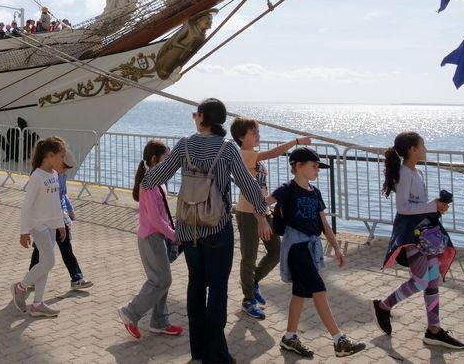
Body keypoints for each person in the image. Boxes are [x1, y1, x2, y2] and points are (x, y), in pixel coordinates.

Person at [140, 98, 270, 364]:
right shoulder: (227, 149)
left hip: (188, 229)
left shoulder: (184, 145)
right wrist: (262, 216)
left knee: (196, 286)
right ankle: (217, 353)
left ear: (201, 117)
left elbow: (153, 179)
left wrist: (144, 176)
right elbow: (248, 186)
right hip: (217, 229)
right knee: (218, 289)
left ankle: (198, 350)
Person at [272, 147, 365, 358]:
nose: (317, 170)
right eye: (314, 166)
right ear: (298, 166)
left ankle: (289, 338)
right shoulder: (287, 189)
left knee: (300, 293)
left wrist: (337, 247)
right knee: (319, 289)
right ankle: (339, 340)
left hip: (310, 248)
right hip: (296, 249)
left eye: (318, 167)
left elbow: (324, 223)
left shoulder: (315, 192)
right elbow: (262, 203)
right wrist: (261, 220)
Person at [374, 132, 463, 349]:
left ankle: (434, 329)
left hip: (425, 234)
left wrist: (437, 208)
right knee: (421, 280)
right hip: (410, 236)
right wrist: (432, 206)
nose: (425, 148)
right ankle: (384, 306)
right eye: (423, 145)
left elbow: (418, 204)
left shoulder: (418, 171)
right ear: (413, 149)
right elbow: (403, 208)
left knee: (432, 280)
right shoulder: (404, 174)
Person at [230, 117, 305, 320]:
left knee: (275, 251)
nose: (257, 135)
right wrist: (296, 142)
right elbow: (273, 153)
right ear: (240, 137)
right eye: (253, 132)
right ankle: (247, 299)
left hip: (263, 211)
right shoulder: (243, 155)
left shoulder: (253, 155)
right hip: (248, 213)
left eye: (257, 132)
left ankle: (252, 282)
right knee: (249, 257)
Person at [118, 140, 183, 339]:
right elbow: (155, 219)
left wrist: (171, 232)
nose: (169, 162)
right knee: (161, 279)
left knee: (162, 279)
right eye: (166, 158)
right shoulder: (149, 183)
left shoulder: (158, 181)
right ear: (155, 159)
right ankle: (131, 312)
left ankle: (159, 322)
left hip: (159, 237)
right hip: (151, 237)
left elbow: (162, 213)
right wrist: (174, 234)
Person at [12, 137, 67, 317]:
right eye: (61, 155)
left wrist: (61, 225)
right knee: (49, 262)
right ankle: (20, 288)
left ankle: (37, 304)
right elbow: (27, 206)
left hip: (51, 225)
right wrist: (24, 232)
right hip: (38, 225)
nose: (63, 160)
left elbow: (55, 203)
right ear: (49, 155)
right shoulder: (37, 176)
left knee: (45, 264)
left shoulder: (53, 175)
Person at [29, 147, 93, 291]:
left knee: (62, 248)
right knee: (42, 250)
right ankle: (32, 278)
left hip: (58, 216)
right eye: (65, 166)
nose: (66, 170)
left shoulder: (61, 174)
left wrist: (69, 209)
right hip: (47, 218)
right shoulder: (43, 175)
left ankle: (76, 277)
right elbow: (34, 203)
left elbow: (63, 194)